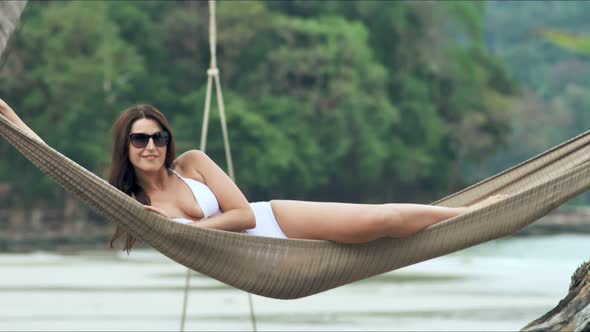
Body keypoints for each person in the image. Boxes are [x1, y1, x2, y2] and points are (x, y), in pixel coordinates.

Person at [0, 99, 506, 251]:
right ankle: (477, 214)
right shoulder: (132, 206)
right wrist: (16, 125)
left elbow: (241, 215)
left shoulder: (192, 163)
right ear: (126, 148)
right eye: (139, 139)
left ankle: (480, 212)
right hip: (259, 261)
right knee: (381, 229)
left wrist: (194, 230)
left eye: (157, 137)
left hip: (275, 222)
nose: (151, 146)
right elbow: (61, 168)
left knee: (384, 220)